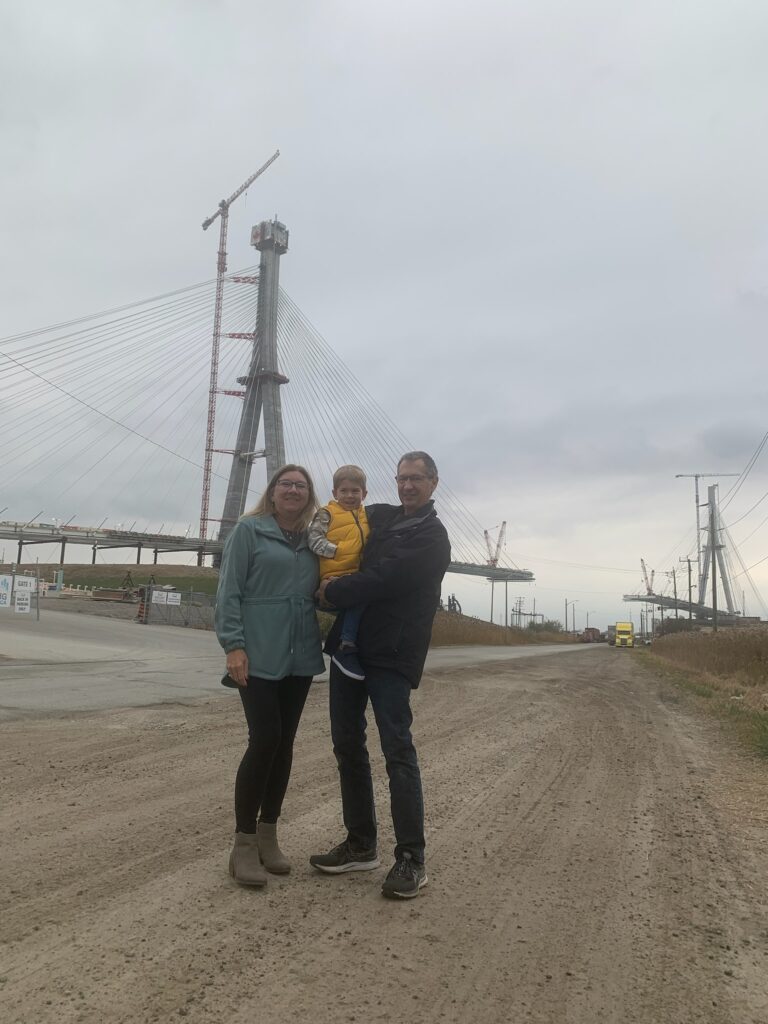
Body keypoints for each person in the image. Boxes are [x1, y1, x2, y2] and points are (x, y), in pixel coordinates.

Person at [310, 451, 451, 899]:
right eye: (402, 478)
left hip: (392, 654)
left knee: (397, 751)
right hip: (351, 652)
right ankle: (361, 844)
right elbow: (338, 515)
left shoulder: (433, 537)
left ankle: (411, 858)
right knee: (346, 745)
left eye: (417, 479)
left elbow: (383, 578)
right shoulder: (384, 517)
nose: (407, 486)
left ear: (433, 483)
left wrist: (331, 591)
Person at [215, 464, 325, 888]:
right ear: (273, 491)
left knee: (284, 745)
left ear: (309, 494)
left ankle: (268, 835)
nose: (293, 490)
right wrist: (233, 646)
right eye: (286, 484)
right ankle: (243, 844)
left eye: (300, 485)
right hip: (257, 654)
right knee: (265, 739)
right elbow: (229, 592)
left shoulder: (314, 541)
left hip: (300, 655)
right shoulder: (249, 531)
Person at [307, 464, 370, 681]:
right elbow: (313, 541)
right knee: (359, 599)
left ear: (364, 493)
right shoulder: (327, 513)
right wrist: (339, 551)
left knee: (369, 598)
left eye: (355, 491)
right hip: (334, 575)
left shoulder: (366, 515)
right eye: (344, 491)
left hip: (357, 574)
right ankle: (346, 645)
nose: (349, 495)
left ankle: (351, 646)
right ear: (334, 493)